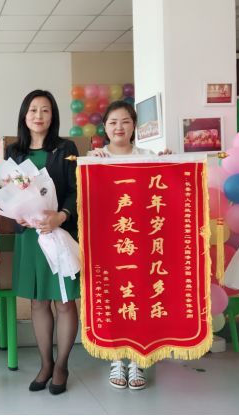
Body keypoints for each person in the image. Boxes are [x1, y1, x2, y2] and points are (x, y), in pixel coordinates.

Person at [89, 100, 172, 390]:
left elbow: (162, 196)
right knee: (114, 298)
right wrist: (92, 164)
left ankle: (138, 360)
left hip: (142, 241)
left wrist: (169, 164)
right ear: (105, 127)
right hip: (108, 242)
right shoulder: (95, 158)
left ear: (134, 125)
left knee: (141, 298)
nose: (119, 127)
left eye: (125, 121)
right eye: (113, 122)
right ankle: (116, 359)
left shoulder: (147, 157)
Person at [5, 90, 79, 395]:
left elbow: (76, 190)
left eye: (45, 110)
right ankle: (45, 364)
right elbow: (8, 192)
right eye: (33, 110)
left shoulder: (66, 148)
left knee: (64, 301)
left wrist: (61, 216)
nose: (39, 115)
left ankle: (61, 365)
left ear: (53, 116)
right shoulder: (13, 151)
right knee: (38, 301)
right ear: (25, 115)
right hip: (30, 238)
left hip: (59, 233)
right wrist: (18, 215)